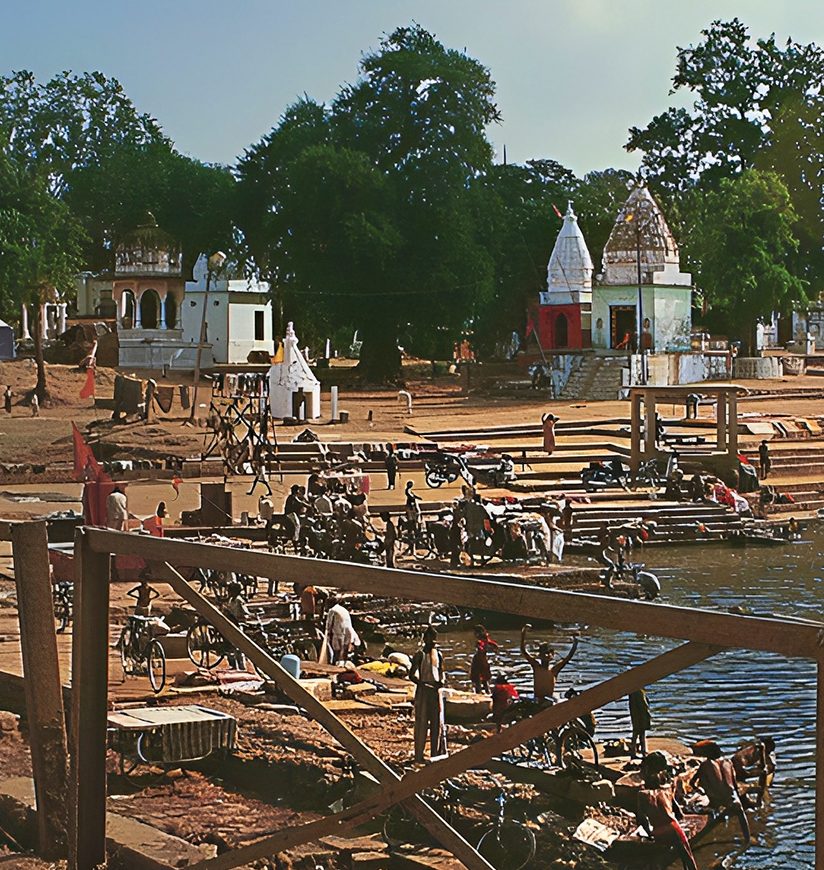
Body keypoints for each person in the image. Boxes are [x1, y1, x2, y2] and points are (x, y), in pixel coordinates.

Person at [636, 752, 697, 870]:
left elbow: (641, 820)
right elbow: (679, 814)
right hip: (674, 828)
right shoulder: (667, 791)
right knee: (688, 858)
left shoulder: (641, 794)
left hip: (659, 832)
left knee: (655, 861)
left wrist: (649, 834)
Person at [690, 742, 750, 842]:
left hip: (716, 800)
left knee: (703, 781)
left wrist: (700, 789)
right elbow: (734, 784)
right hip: (733, 799)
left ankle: (713, 817)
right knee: (740, 811)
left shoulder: (705, 765)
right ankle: (747, 840)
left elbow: (692, 783)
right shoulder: (728, 762)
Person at [409, 625, 447, 762]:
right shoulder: (420, 655)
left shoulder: (439, 654)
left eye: (434, 640)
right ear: (425, 639)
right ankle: (418, 755)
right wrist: (422, 683)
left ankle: (435, 755)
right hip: (423, 692)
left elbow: (442, 673)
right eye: (430, 639)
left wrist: (441, 681)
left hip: (435, 692)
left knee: (436, 724)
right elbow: (411, 675)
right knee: (422, 723)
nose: (432, 642)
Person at [520, 624, 579, 702]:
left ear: (552, 655)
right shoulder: (536, 666)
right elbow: (523, 651)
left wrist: (575, 643)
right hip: (537, 700)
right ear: (540, 655)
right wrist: (523, 633)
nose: (546, 655)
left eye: (548, 653)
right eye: (544, 653)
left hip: (549, 701)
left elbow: (568, 658)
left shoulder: (554, 670)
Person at [223, 581, 252, 669]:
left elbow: (245, 613)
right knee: (231, 647)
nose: (228, 592)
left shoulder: (239, 601)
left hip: (238, 625)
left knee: (238, 648)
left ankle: (242, 667)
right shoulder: (231, 600)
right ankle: (234, 666)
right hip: (231, 625)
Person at [324, 597, 358, 664]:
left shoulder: (332, 610)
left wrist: (326, 634)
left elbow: (329, 625)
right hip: (349, 632)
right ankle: (343, 664)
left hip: (339, 633)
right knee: (344, 651)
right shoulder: (343, 609)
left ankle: (335, 664)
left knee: (337, 651)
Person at [470, 624, 498, 694]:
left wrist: (480, 647)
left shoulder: (480, 641)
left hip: (478, 660)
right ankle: (488, 693)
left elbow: (481, 647)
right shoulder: (486, 640)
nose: (474, 635)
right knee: (484, 680)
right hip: (484, 660)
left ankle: (478, 693)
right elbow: (495, 646)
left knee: (477, 680)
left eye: (475, 633)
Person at [629, 688, 652, 758]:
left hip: (635, 714)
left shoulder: (632, 692)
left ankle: (635, 751)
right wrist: (648, 716)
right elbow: (644, 705)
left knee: (636, 732)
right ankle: (642, 751)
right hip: (640, 716)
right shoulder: (639, 692)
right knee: (641, 733)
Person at [404, 481, 422, 552]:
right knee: (413, 523)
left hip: (412, 509)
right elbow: (411, 497)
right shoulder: (408, 491)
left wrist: (418, 497)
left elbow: (413, 496)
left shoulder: (409, 491)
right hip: (411, 509)